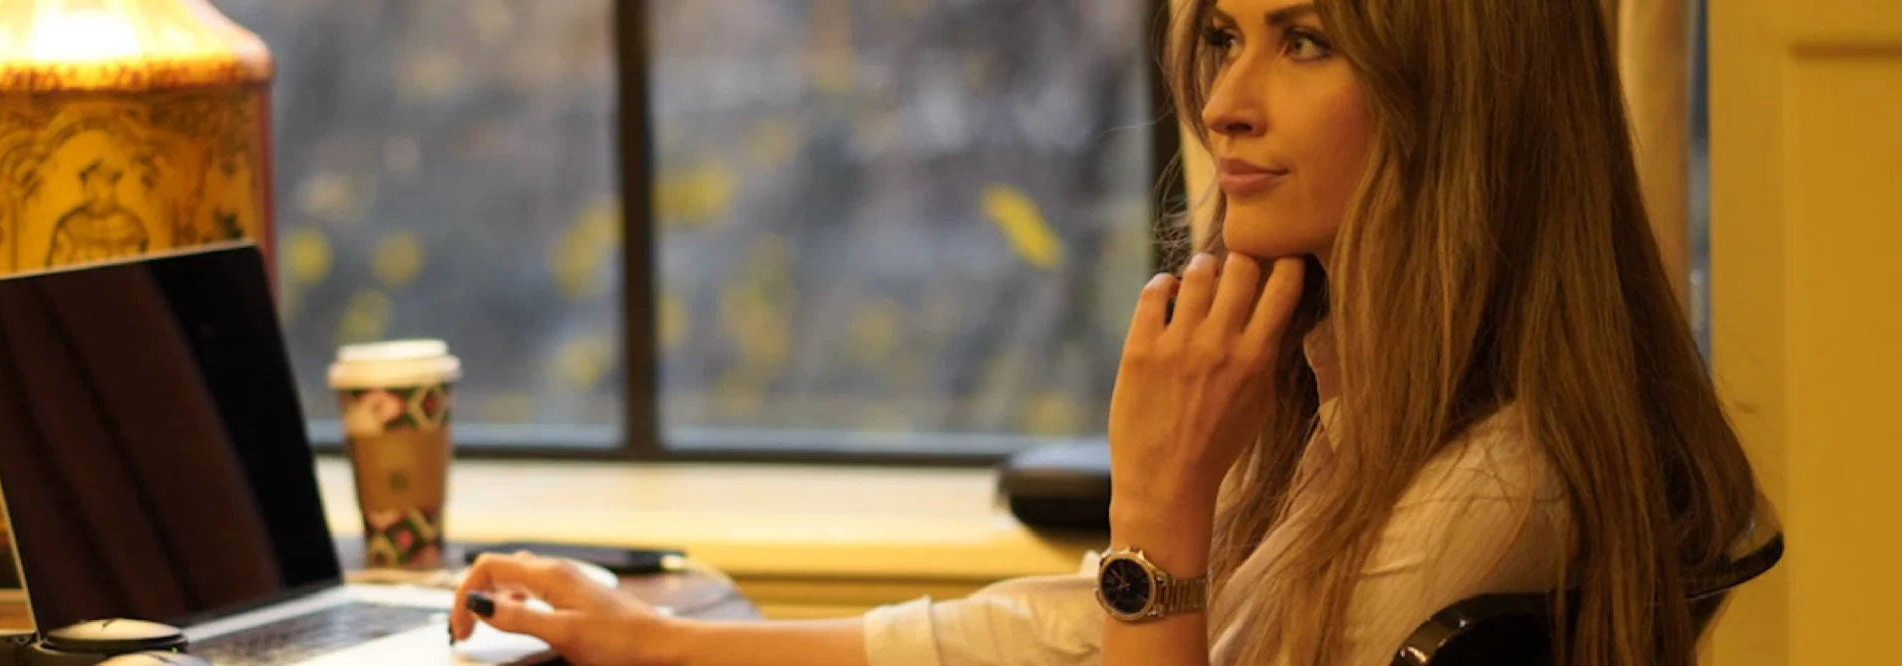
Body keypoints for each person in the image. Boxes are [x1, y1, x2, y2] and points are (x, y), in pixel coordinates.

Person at [445, 0, 1764, 663]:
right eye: (1226, 35)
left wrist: (1159, 511)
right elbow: (1076, 631)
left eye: (1306, 41)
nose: (1226, 101)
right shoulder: (1359, 417)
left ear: (1466, 102)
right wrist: (667, 642)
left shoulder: (1481, 497)